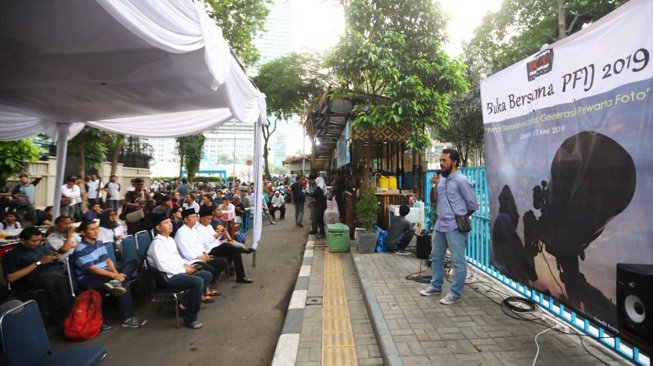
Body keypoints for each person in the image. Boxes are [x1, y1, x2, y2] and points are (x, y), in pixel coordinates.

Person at [419, 149, 478, 305]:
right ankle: (436, 286)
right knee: (436, 257)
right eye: (440, 160)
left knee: (458, 261)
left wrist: (460, 216)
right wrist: (434, 185)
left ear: (455, 162)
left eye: (444, 160)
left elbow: (473, 204)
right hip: (440, 224)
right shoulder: (442, 179)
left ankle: (455, 293)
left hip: (454, 226)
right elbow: (433, 201)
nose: (441, 163)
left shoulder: (462, 180)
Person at [72, 219, 144, 328]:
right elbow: (92, 269)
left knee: (135, 261)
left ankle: (117, 281)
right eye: (92, 229)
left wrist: (116, 273)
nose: (96, 231)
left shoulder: (99, 243)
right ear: (82, 233)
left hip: (106, 273)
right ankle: (128, 319)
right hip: (91, 279)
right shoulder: (79, 250)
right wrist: (114, 275)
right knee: (123, 285)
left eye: (97, 228)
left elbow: (108, 260)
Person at [147, 213, 212, 329]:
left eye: (170, 222)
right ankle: (190, 318)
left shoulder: (170, 240)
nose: (170, 224)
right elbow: (163, 266)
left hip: (177, 271)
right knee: (197, 282)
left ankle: (185, 304)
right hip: (167, 278)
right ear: (158, 227)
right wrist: (184, 269)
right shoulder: (157, 244)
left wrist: (186, 265)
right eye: (166, 223)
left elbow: (176, 258)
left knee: (206, 275)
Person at [3, 227, 73, 323]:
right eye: (34, 241)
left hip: (48, 273)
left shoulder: (39, 247)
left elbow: (45, 260)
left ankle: (71, 312)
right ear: (23, 241)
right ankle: (68, 317)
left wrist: (52, 258)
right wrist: (38, 263)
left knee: (70, 274)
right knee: (60, 281)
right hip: (29, 281)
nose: (37, 243)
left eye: (40, 240)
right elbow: (11, 278)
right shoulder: (12, 255)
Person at [173, 208, 223, 301]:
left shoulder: (193, 230)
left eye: (195, 216)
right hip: (190, 260)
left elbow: (199, 244)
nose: (195, 219)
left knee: (220, 263)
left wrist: (205, 254)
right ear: (185, 219)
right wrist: (200, 257)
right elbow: (185, 251)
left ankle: (206, 289)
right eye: (192, 217)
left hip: (201, 256)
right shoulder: (181, 232)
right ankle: (202, 294)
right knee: (209, 269)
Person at [196, 207, 253, 284]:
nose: (209, 221)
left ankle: (241, 277)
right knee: (226, 246)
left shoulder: (209, 226)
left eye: (210, 219)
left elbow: (215, 238)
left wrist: (220, 236)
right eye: (207, 219)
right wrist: (217, 236)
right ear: (202, 219)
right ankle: (243, 249)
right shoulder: (198, 229)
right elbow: (205, 243)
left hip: (217, 245)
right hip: (209, 250)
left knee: (236, 253)